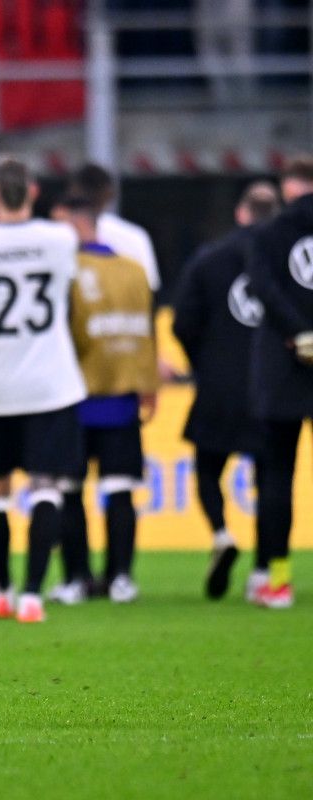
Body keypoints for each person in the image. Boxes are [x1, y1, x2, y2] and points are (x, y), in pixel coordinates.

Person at [0, 157, 86, 624]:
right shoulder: (61, 238)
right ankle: (33, 594)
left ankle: (5, 589)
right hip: (51, 385)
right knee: (46, 486)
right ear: (32, 192)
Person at [172, 181, 279, 600]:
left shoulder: (210, 260)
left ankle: (221, 533)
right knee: (271, 479)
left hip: (218, 387)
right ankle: (264, 569)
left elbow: (182, 323)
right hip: (270, 389)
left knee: (206, 468)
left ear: (241, 213)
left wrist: (205, 363)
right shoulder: (285, 263)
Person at [52, 194, 158, 605]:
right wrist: (148, 384)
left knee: (70, 491)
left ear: (77, 225)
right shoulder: (134, 271)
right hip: (124, 397)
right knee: (121, 490)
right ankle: (121, 579)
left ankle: (77, 579)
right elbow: (147, 332)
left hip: (75, 398)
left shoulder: (68, 270)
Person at [245, 157, 313, 609]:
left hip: (285, 369)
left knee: (277, 477)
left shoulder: (267, 234)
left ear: (287, 187)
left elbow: (262, 288)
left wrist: (300, 332)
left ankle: (279, 580)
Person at [70, 163, 160, 292]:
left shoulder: (64, 235)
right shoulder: (135, 236)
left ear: (72, 192)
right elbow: (150, 287)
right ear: (109, 194)